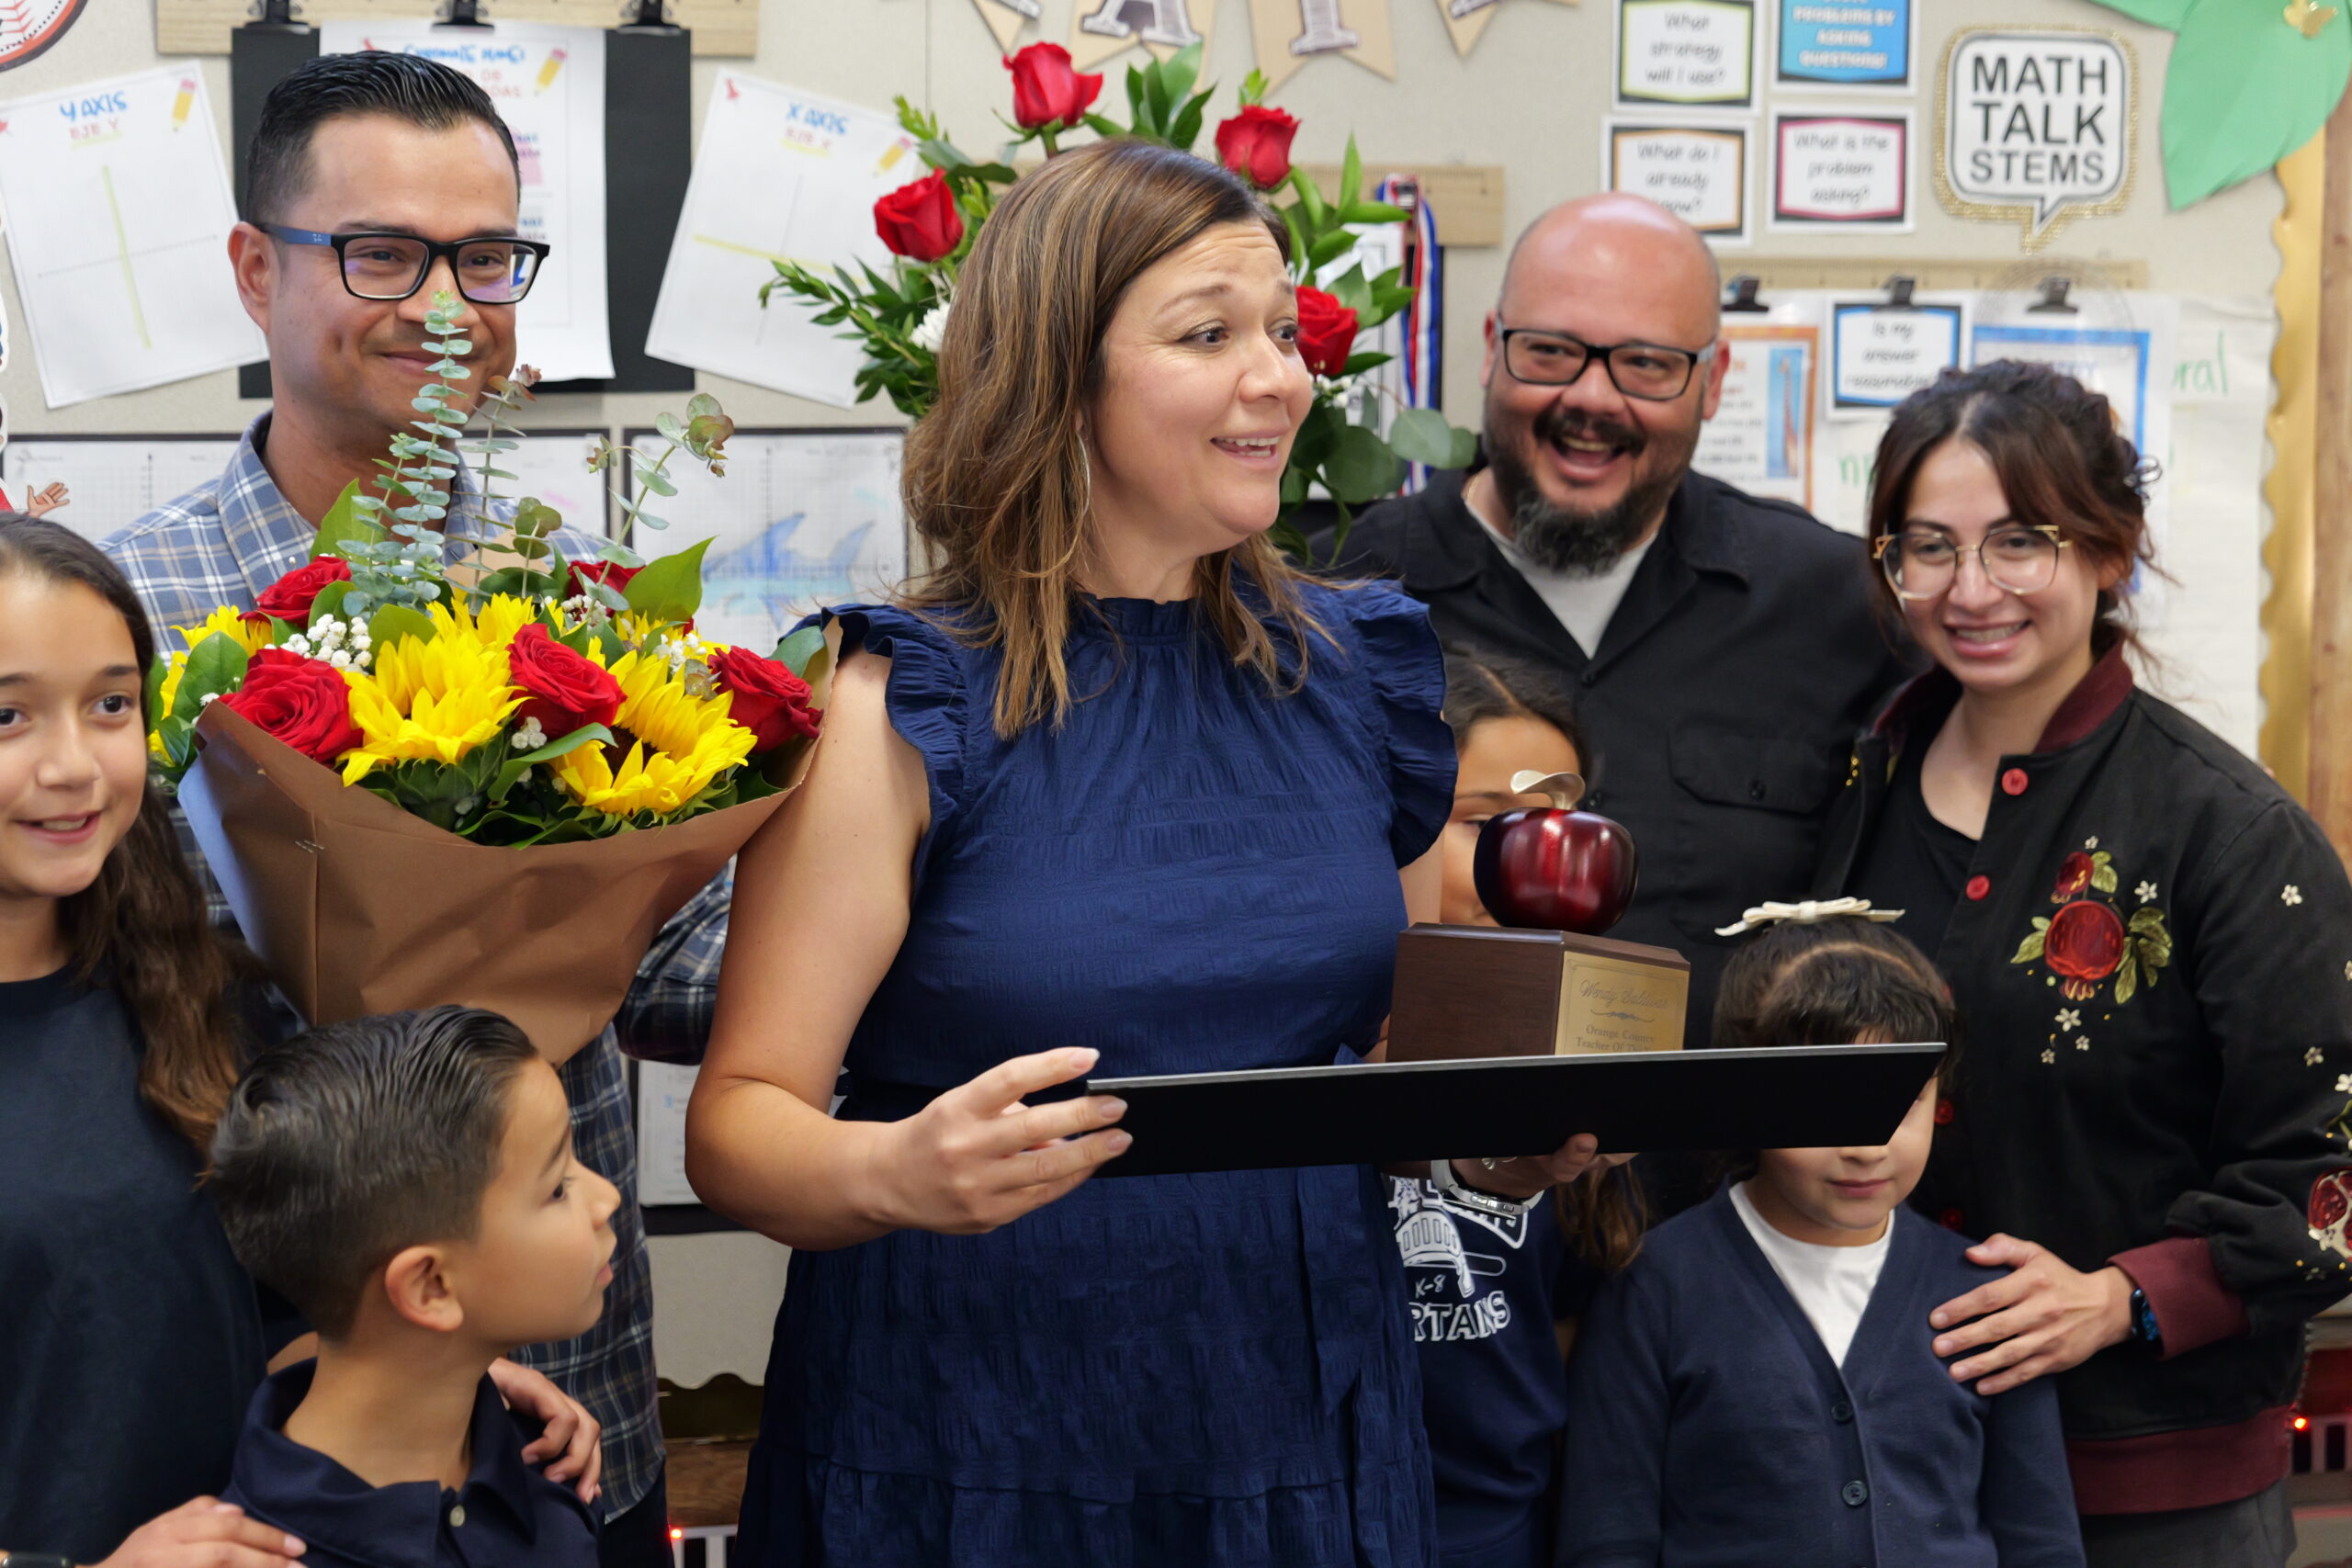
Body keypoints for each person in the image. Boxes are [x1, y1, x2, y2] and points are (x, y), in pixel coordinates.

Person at [685, 138, 1610, 1567]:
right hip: (972, 1431)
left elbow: (1388, 1070)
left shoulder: (1359, 677)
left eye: (1284, 330)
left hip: (1301, 1415)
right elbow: (739, 1121)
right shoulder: (899, 703)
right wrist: (895, 1171)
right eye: (1208, 334)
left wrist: (1483, 1147)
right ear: (1059, 378)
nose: (1282, 376)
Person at [98, 52, 681, 1557]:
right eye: (382, 253)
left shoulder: (585, 600)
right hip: (261, 1445)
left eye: (484, 258)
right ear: (253, 270)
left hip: (569, 1415)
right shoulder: (119, 627)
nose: (444, 304)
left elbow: (679, 963)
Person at [1819, 360, 2352, 1565]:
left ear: (2111, 551)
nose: (1971, 589)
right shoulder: (1861, 782)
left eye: (2020, 541)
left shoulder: (2228, 829)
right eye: (1927, 546)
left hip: (2151, 1476)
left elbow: (2331, 1173)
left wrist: (2120, 1294)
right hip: (1889, 1450)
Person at [1327, 193, 1910, 1050]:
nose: (1591, 398)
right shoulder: (1344, 601)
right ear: (1491, 349)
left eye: (1646, 364)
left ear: (1714, 383)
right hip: (1427, 1168)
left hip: (1728, 1174)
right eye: (1551, 351)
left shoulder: (1837, 603)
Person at [1558, 912, 2085, 1567]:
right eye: (1828, 1101)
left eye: (1899, 1101)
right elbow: (1608, 1539)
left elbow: (2043, 1541)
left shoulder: (1989, 1299)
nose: (1865, 1146)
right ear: (1747, 1092)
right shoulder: (1653, 1288)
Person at [0, 516, 302, 1567]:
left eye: (112, 705)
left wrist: (435, 1382)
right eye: (7, 716)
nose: (76, 766)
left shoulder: (203, 1000)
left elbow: (262, 1324)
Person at [1392, 647, 1642, 1568]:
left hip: (1500, 1524)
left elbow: (1573, 1321)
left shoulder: (1588, 1057)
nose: (1530, 850)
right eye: (1482, 820)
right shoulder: (1322, 1038)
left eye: (1555, 819)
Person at [209, 1006, 614, 1565]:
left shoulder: (550, 1463)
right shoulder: (255, 1555)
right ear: (431, 1287)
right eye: (558, 1187)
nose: (607, 1199)